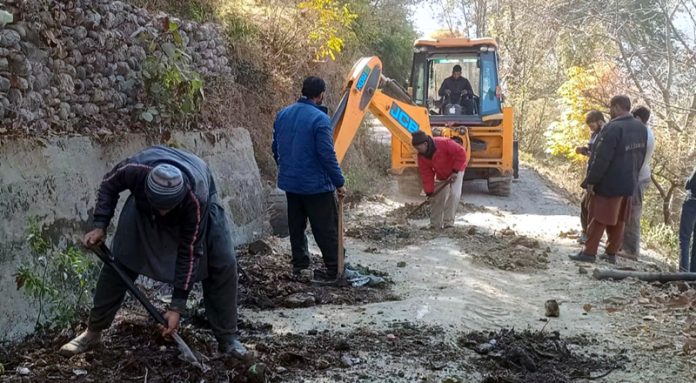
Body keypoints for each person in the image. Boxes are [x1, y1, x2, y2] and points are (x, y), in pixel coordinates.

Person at [59, 146, 247, 358]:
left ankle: (228, 340)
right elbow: (108, 186)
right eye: (159, 206)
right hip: (142, 210)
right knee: (120, 260)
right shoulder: (134, 170)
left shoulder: (195, 199)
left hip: (192, 210)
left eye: (167, 208)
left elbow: (190, 252)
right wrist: (100, 224)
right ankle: (92, 332)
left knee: (222, 262)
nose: (163, 212)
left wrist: (177, 307)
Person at [272, 76, 346, 279]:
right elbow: (326, 154)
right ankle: (334, 267)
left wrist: (287, 169)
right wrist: (339, 182)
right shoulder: (320, 119)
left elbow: (275, 148)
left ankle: (300, 266)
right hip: (316, 186)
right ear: (321, 94)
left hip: (291, 184)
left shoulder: (283, 114)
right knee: (325, 228)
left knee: (296, 227)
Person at [570, 95, 647, 264]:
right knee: (619, 219)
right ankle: (611, 253)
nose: (610, 112)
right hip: (629, 182)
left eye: (611, 108)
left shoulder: (613, 127)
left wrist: (591, 181)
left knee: (599, 217)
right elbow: (641, 157)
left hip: (610, 182)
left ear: (617, 107)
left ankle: (589, 252)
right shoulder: (641, 128)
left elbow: (602, 158)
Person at [411, 130, 468, 229]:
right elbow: (426, 175)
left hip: (457, 169)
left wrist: (455, 171)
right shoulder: (422, 156)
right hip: (442, 174)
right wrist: (429, 192)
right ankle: (435, 224)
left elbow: (461, 153)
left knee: (454, 194)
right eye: (416, 148)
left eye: (418, 148)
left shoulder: (444, 143)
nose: (417, 150)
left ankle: (448, 223)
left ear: (425, 144)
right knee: (437, 198)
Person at [621, 106, 655, 259]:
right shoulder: (646, 132)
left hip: (639, 178)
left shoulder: (644, 134)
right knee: (629, 211)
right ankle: (625, 246)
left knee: (633, 213)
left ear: (638, 118)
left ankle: (632, 250)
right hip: (640, 176)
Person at [575, 110, 605, 244]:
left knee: (589, 205)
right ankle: (586, 232)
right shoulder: (594, 135)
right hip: (590, 172)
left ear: (599, 121)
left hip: (598, 176)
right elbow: (592, 153)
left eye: (592, 125)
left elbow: (601, 157)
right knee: (585, 204)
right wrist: (583, 150)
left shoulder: (605, 134)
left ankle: (589, 235)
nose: (591, 128)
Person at [679, 166, 696, 271]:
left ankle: (683, 273)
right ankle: (694, 276)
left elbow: (689, 184)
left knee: (684, 239)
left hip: (692, 201)